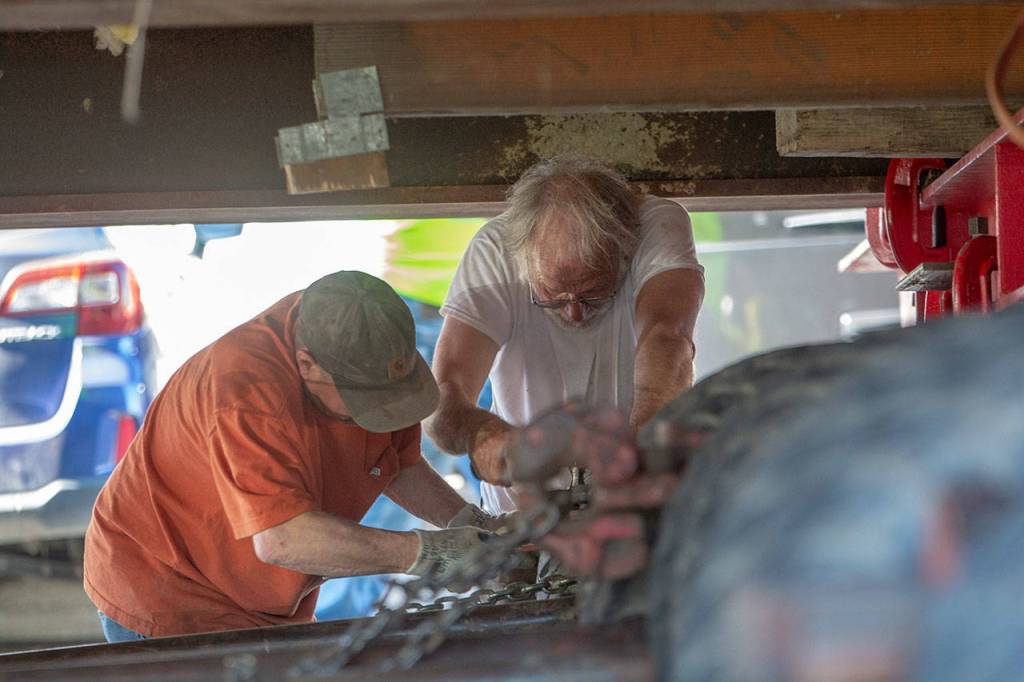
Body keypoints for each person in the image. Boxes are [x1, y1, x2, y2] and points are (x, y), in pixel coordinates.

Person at [84, 271, 500, 641]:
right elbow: (283, 538)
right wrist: (428, 552)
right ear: (307, 364)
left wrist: (475, 525)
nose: (381, 414)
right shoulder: (245, 393)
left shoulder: (363, 343)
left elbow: (397, 463)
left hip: (261, 595)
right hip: (169, 590)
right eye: (366, 402)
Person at [426, 156, 705, 515]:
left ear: (623, 248)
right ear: (526, 259)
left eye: (593, 293)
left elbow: (668, 336)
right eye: (553, 297)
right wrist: (481, 433)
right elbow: (443, 396)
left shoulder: (655, 225)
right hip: (523, 518)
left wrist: (643, 448)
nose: (574, 312)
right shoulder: (496, 250)